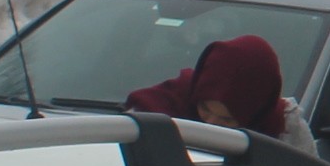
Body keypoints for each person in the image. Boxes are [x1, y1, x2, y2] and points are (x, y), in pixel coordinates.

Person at [126, 32, 296, 140]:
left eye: (227, 119)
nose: (211, 125)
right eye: (205, 109)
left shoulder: (283, 129)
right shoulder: (162, 105)